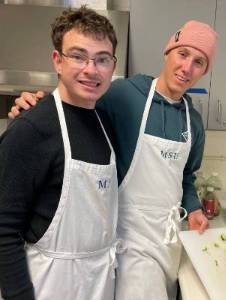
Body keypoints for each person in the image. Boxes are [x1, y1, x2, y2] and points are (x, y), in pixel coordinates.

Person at [9, 20, 218, 300]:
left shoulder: (193, 122)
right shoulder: (125, 95)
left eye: (199, 62)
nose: (187, 68)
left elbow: (186, 176)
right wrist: (35, 103)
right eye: (183, 54)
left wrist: (192, 209)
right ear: (168, 52)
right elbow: (74, 101)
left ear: (205, 71)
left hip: (167, 242)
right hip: (128, 240)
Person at [0, 6, 120, 300]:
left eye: (102, 59)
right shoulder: (32, 128)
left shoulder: (104, 122)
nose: (91, 70)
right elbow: (3, 230)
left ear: (112, 67)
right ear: (57, 60)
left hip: (98, 281)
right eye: (78, 56)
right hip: (48, 285)